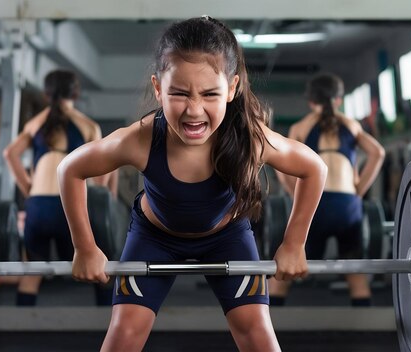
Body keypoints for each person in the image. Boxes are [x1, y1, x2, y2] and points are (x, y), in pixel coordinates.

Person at [57, 17, 327, 351]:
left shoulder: (251, 140)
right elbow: (70, 169)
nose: (194, 110)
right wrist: (84, 248)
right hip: (153, 238)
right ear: (158, 88)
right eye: (179, 93)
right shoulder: (140, 139)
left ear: (232, 88)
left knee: (257, 335)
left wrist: (294, 243)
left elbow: (314, 168)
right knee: (123, 336)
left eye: (210, 93)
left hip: (228, 238)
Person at [269, 73, 385, 307]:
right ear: (339, 100)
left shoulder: (300, 127)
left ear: (311, 101)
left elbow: (281, 164)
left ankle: (272, 321)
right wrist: (358, 191)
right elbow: (378, 153)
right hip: (348, 206)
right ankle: (363, 325)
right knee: (355, 270)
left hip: (316, 206)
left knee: (286, 265)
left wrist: (295, 194)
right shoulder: (352, 126)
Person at [3, 69, 110, 306]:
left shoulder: (35, 124)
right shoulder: (88, 126)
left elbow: (9, 154)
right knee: (98, 267)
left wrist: (29, 189)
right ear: (76, 93)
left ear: (46, 94)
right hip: (68, 208)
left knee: (33, 273)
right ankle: (108, 324)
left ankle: (21, 329)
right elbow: (100, 183)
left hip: (38, 206)